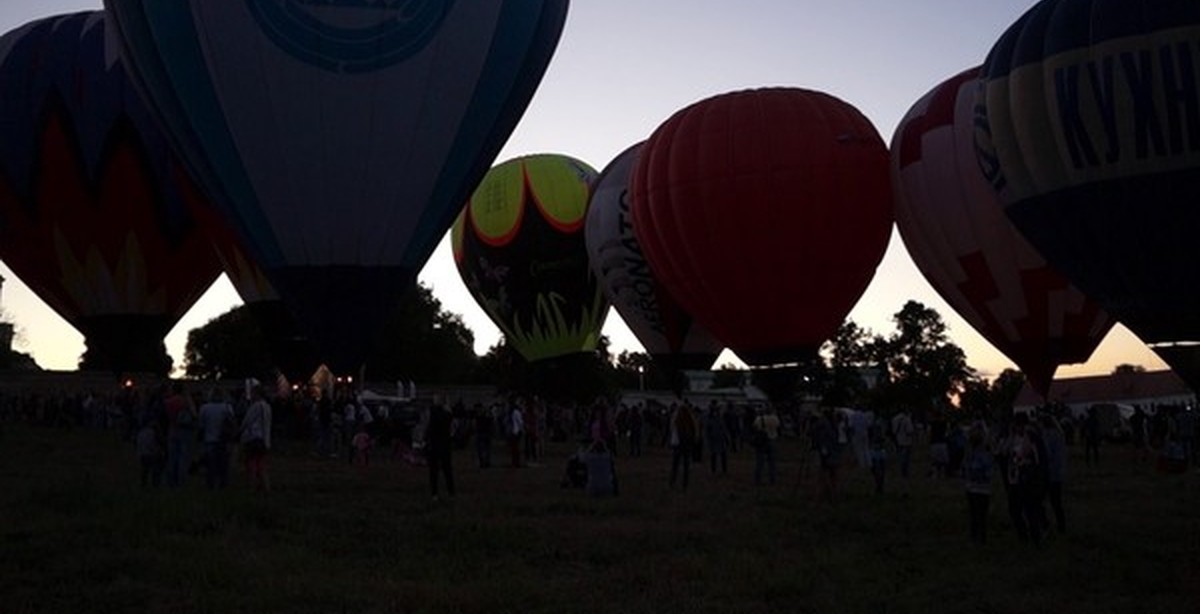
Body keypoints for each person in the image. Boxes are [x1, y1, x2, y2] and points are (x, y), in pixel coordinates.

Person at [198, 387, 236, 490]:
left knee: (210, 466)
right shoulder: (228, 408)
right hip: (224, 440)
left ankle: (210, 485)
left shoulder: (204, 408)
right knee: (224, 465)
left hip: (209, 439)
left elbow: (201, 425)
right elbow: (232, 424)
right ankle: (223, 486)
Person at [962, 424, 993, 545]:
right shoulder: (985, 454)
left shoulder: (970, 454)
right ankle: (980, 537)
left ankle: (975, 537)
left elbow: (966, 469)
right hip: (982, 488)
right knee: (981, 515)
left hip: (973, 487)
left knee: (974, 514)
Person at [163, 382, 197, 488]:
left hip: (172, 429)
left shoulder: (168, 401)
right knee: (183, 457)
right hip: (184, 431)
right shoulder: (185, 401)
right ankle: (181, 481)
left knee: (172, 457)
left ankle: (171, 481)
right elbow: (194, 414)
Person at [240, 386, 273, 492]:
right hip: (264, 439)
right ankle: (265, 486)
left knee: (251, 463)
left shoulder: (255, 406)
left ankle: (252, 486)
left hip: (254, 438)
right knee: (261, 464)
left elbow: (247, 421)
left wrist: (239, 432)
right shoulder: (267, 407)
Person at [1040, 414, 1067, 534]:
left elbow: (1047, 453)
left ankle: (1046, 524)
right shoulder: (1059, 434)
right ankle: (1062, 526)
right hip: (1059, 473)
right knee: (1057, 502)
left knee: (1041, 500)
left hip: (1049, 473)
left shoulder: (1047, 435)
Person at [426, 397, 455, 500]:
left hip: (436, 445)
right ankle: (449, 492)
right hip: (442, 445)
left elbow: (429, 428)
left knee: (435, 470)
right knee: (445, 470)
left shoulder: (433, 412)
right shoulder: (442, 413)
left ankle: (436, 493)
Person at [669, 402, 697, 490]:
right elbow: (693, 432)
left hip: (679, 445)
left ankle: (673, 482)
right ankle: (684, 483)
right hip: (685, 444)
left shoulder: (677, 420)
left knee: (676, 464)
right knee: (685, 465)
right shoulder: (689, 420)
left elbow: (672, 430)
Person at [751, 404, 781, 485]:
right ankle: (772, 479)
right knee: (772, 462)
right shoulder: (775, 418)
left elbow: (754, 427)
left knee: (760, 461)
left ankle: (758, 479)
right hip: (772, 440)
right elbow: (778, 426)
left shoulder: (759, 418)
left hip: (761, 441)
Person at [891, 407, 915, 492]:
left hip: (898, 441)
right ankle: (904, 473)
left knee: (899, 457)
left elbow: (893, 431)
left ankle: (900, 472)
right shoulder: (906, 419)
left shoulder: (895, 419)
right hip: (906, 442)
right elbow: (910, 431)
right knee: (905, 461)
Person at [136, 418, 164, 489]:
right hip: (151, 453)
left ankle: (144, 483)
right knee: (156, 468)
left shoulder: (140, 432)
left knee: (145, 469)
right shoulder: (153, 432)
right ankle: (156, 483)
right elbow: (159, 442)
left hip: (142, 454)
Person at [704, 402, 729, 475]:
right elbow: (707, 431)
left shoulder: (720, 418)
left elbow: (724, 429)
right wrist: (708, 441)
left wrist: (726, 438)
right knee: (713, 455)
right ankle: (713, 470)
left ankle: (724, 470)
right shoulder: (709, 419)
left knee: (723, 455)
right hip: (713, 440)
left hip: (721, 439)